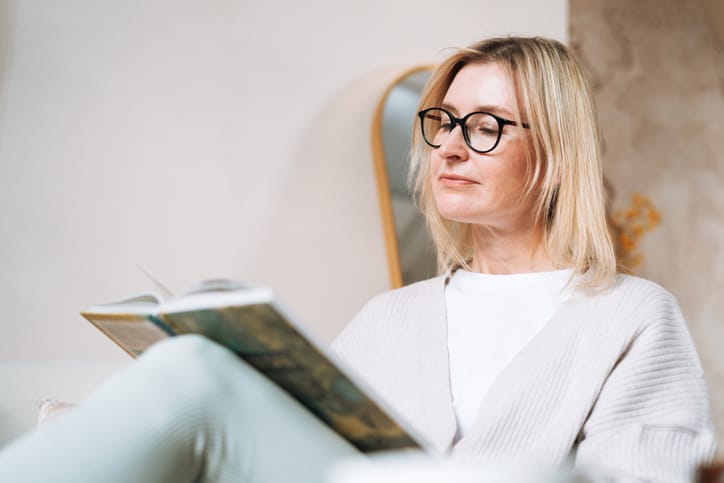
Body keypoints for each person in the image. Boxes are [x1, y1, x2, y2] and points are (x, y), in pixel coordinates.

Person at [0, 36, 716, 483]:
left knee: (194, 373)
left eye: (487, 126)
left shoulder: (632, 316)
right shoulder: (390, 317)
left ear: (558, 157)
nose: (451, 146)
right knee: (188, 368)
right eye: (442, 122)